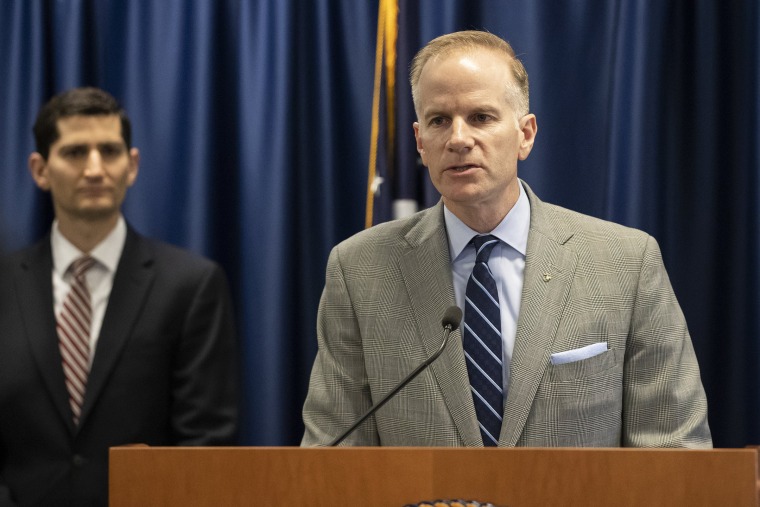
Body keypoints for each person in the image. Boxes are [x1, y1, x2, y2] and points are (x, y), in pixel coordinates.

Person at [301, 31, 711, 448]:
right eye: (439, 120)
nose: (458, 139)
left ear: (526, 134)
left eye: (481, 117)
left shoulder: (627, 263)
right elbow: (330, 459)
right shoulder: (358, 271)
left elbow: (675, 452)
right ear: (420, 142)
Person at [0, 87, 239, 506]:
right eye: (75, 153)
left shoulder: (191, 286)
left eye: (109, 151)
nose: (95, 169)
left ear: (132, 166)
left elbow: (205, 447)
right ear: (39, 169)